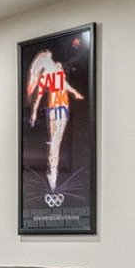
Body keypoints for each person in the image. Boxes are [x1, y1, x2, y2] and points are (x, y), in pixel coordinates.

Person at [25, 48, 85, 192]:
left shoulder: (57, 72)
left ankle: (53, 171)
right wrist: (33, 113)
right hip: (55, 109)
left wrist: (75, 93)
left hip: (61, 108)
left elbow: (64, 85)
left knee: (56, 140)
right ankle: (53, 171)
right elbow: (39, 96)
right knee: (54, 141)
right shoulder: (46, 76)